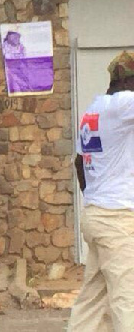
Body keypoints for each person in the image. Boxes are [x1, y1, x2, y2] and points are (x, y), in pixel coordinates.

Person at [67, 51, 134, 332]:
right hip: (117, 219)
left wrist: (94, 196)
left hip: (98, 215)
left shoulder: (94, 109)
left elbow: (79, 162)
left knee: (93, 299)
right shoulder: (123, 104)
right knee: (126, 298)